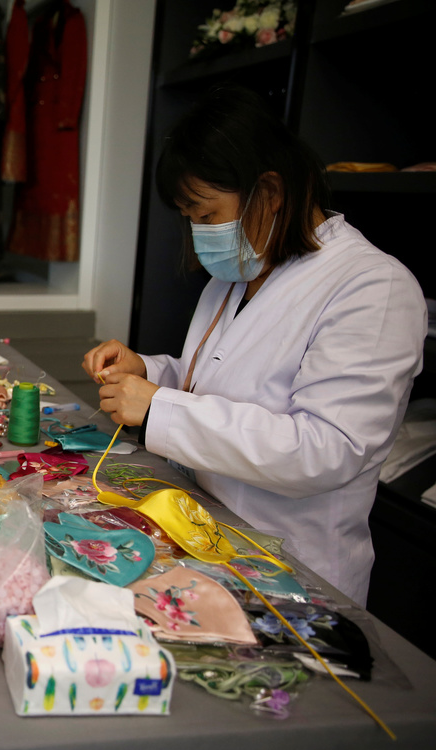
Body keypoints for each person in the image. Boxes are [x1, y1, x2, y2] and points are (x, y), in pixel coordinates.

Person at [82, 84, 425, 607]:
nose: (198, 232)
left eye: (206, 215)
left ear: (270, 191)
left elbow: (325, 451)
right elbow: (218, 382)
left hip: (293, 570)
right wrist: (150, 372)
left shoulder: (373, 286)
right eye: (189, 218)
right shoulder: (240, 272)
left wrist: (158, 409)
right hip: (207, 533)